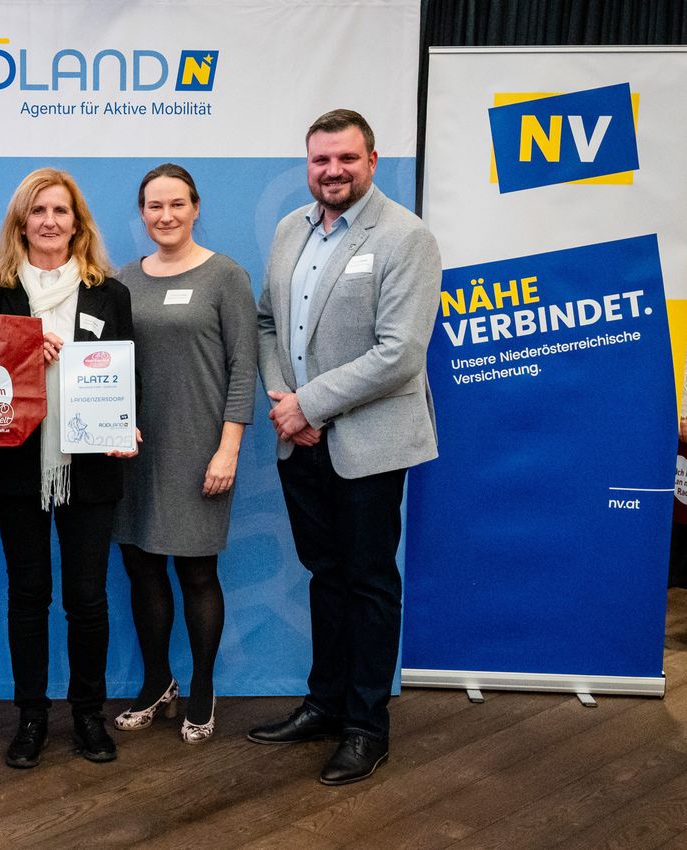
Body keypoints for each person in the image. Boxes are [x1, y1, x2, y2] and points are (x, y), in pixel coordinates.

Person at [250, 109, 441, 786]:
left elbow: (401, 354)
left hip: (367, 444)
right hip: (297, 438)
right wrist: (284, 404)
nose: (332, 171)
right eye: (320, 160)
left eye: (346, 160)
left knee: (367, 584)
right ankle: (325, 704)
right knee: (326, 577)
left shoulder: (404, 237)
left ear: (372, 160)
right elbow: (268, 323)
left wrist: (312, 404)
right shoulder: (287, 230)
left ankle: (367, 727)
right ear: (308, 165)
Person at [0, 168, 136, 769]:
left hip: (91, 468)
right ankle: (31, 716)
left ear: (78, 223)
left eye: (60, 211)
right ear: (20, 222)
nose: (49, 222)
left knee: (87, 598)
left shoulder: (110, 293)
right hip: (17, 467)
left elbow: (127, 375)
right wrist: (19, 354)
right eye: (37, 211)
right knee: (28, 594)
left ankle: (88, 714)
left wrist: (128, 424)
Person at [111, 163, 257, 744]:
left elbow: (243, 367)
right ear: (142, 213)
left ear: (196, 207)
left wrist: (229, 448)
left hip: (202, 449)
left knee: (197, 572)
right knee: (141, 568)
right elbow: (107, 364)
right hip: (132, 451)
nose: (165, 216)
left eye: (176, 204)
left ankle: (202, 686)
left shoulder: (226, 276)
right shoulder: (123, 279)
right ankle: (156, 682)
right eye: (154, 206)